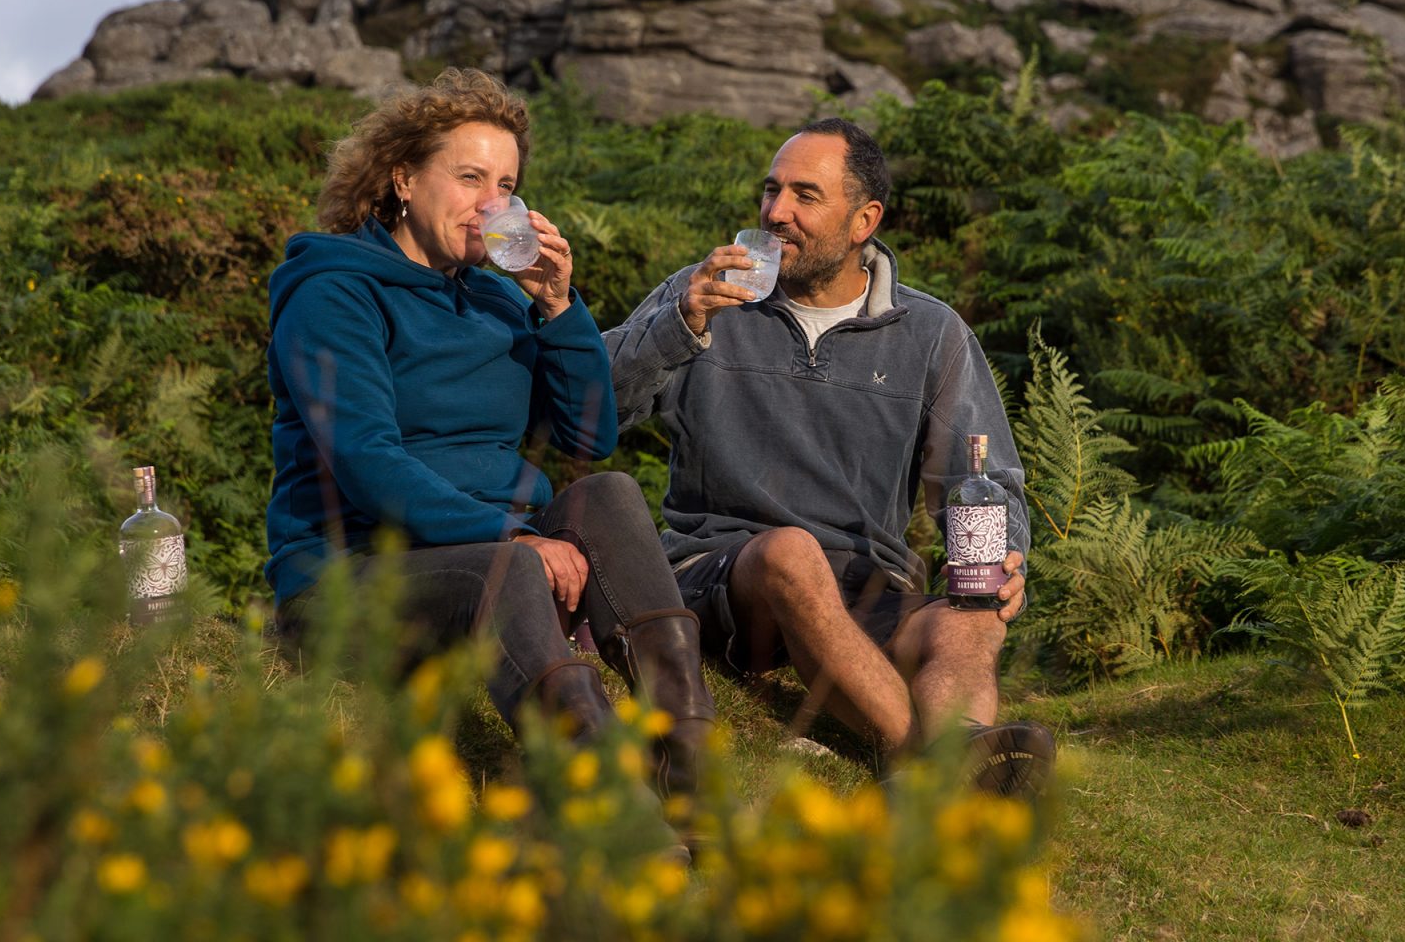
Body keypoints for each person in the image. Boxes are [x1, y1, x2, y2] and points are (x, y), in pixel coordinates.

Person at [263, 68, 714, 801]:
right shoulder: (333, 293)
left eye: (505, 185)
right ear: (403, 179)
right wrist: (512, 536)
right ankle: (606, 800)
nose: (491, 204)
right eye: (470, 177)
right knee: (506, 568)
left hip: (488, 563)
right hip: (351, 579)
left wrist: (559, 308)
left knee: (608, 492)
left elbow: (588, 435)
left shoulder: (498, 302)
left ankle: (688, 764)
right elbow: (366, 461)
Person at [604, 117, 1053, 795]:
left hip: (867, 586)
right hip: (726, 574)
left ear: (863, 220)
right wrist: (679, 326)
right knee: (791, 554)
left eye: (804, 196)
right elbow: (592, 409)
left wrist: (1005, 560)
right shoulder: (705, 293)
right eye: (771, 190)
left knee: (976, 601)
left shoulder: (931, 334)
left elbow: (979, 477)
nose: (775, 212)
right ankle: (937, 774)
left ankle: (960, 745)